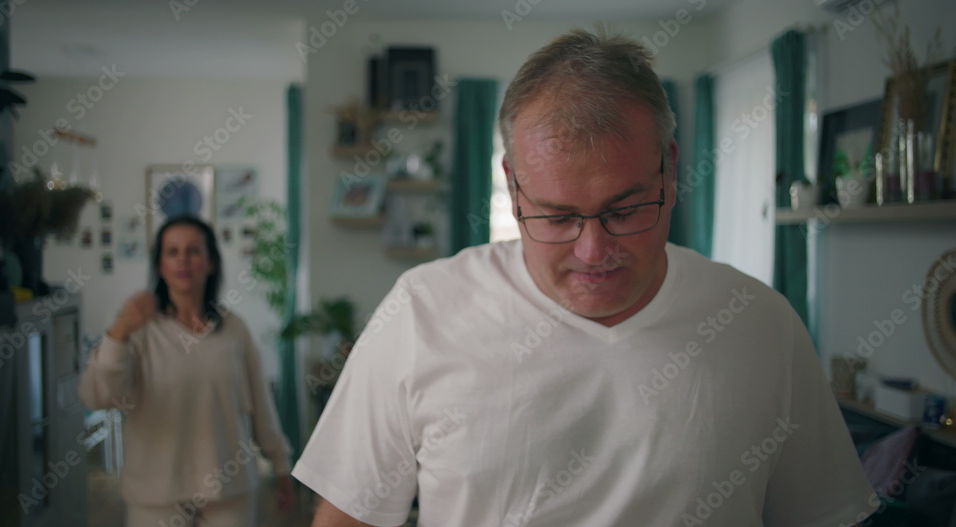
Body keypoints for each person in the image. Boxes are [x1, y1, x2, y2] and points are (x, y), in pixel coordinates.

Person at [292, 28, 877, 526]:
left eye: (626, 210)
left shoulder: (761, 324)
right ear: (512, 186)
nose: (593, 251)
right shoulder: (421, 311)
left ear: (671, 170)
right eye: (557, 216)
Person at [79, 215, 294, 526]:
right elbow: (98, 397)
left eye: (193, 251)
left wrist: (281, 463)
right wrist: (118, 334)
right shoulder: (135, 328)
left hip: (228, 489)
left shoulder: (234, 329)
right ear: (160, 265)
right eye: (172, 252)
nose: (183, 260)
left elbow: (261, 404)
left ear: (211, 263)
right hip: (155, 493)